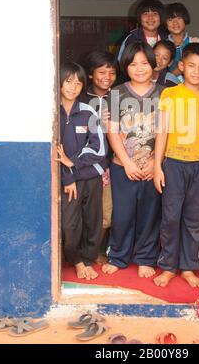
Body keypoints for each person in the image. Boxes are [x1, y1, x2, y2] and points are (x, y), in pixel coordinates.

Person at [153, 42, 199, 288]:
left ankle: (189, 266)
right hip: (174, 164)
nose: (196, 71)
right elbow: (162, 132)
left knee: (194, 218)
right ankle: (168, 266)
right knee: (170, 217)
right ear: (181, 66)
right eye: (191, 66)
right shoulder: (170, 94)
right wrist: (158, 166)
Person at [102, 41, 163, 278]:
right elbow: (112, 130)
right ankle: (118, 256)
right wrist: (126, 162)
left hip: (152, 166)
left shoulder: (163, 93)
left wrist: (154, 163)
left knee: (150, 213)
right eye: (133, 64)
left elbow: (166, 132)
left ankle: (146, 258)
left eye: (145, 63)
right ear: (125, 66)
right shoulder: (116, 93)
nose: (139, 68)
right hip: (122, 166)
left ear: (152, 65)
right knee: (122, 214)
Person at [56, 62, 108, 280]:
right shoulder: (50, 112)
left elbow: (99, 149)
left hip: (90, 177)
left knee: (93, 221)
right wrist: (68, 174)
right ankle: (76, 259)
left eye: (78, 83)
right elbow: (54, 152)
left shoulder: (88, 112)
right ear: (59, 83)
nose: (73, 87)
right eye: (68, 81)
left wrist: (72, 162)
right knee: (69, 224)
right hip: (67, 180)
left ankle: (87, 259)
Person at [80, 51, 118, 264]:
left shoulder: (120, 96)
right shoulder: (81, 97)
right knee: (82, 212)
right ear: (91, 74)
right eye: (102, 72)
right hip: (84, 165)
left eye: (112, 72)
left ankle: (93, 253)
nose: (107, 76)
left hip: (111, 165)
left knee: (106, 213)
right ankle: (78, 253)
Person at [165, 2, 199, 81]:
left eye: (179, 18)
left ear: (185, 20)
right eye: (170, 19)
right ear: (165, 23)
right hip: (169, 89)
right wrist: (177, 72)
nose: (175, 22)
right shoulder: (163, 45)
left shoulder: (195, 42)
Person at [117, 0, 167, 64]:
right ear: (139, 18)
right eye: (145, 14)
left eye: (155, 13)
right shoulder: (131, 39)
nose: (150, 18)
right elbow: (121, 65)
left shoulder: (167, 39)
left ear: (161, 17)